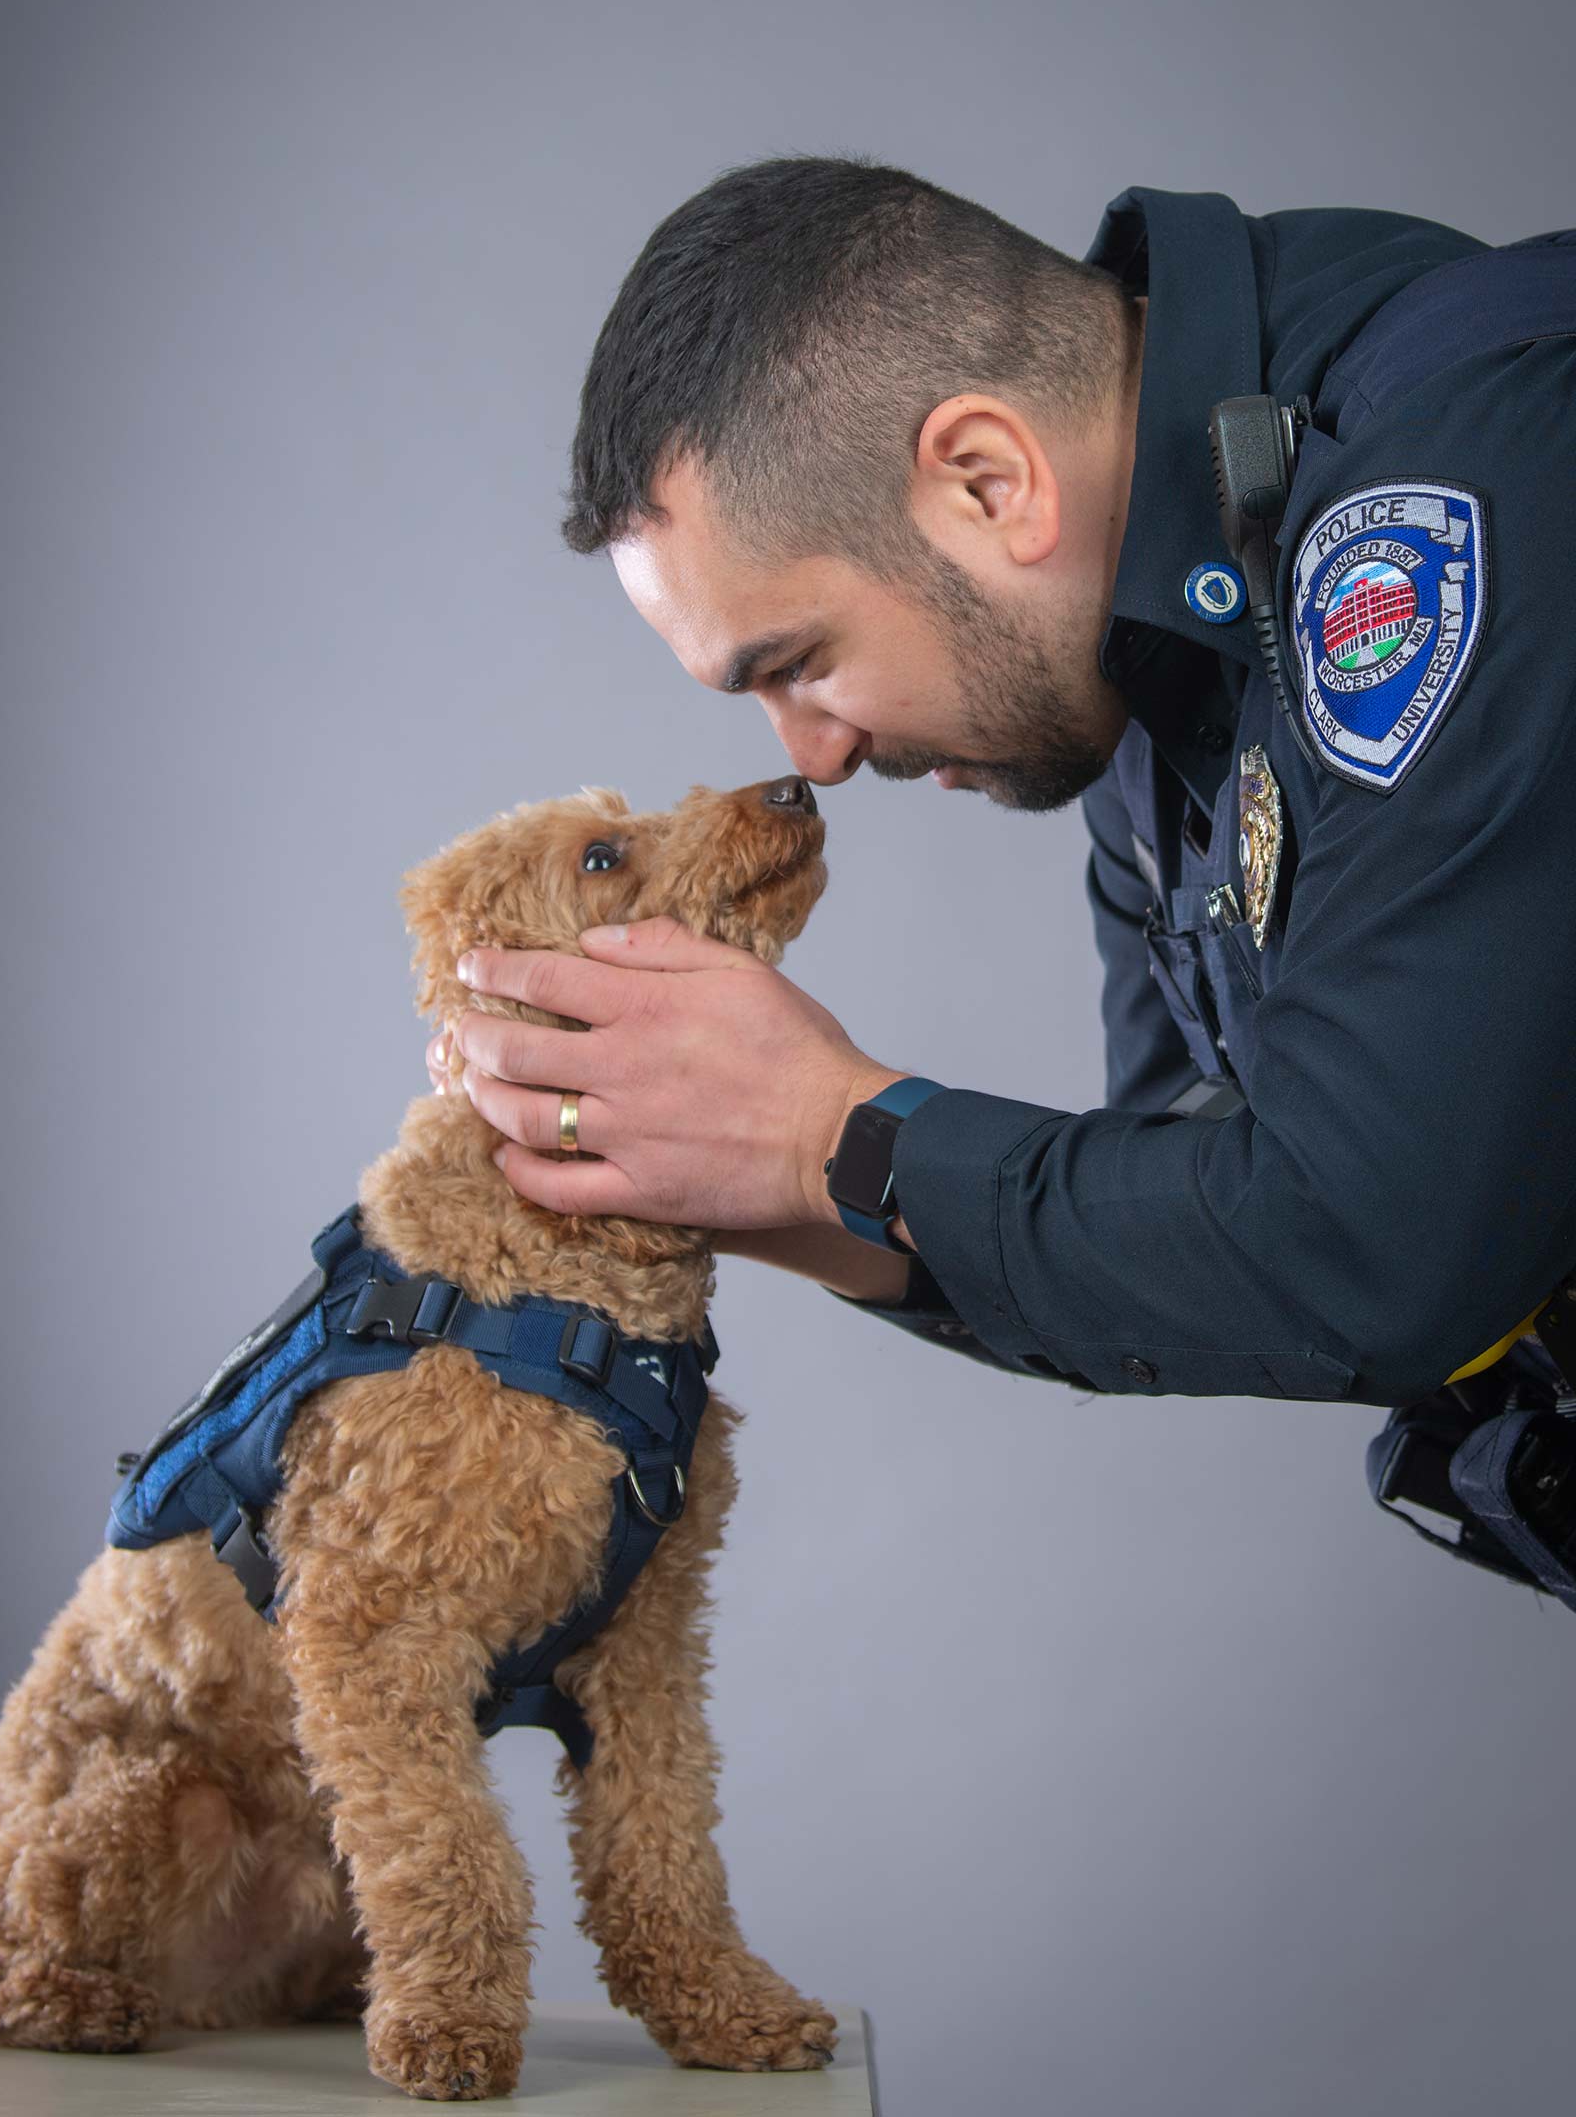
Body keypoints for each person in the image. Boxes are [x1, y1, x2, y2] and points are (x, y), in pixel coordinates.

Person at [426, 157, 1576, 1411]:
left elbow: (1378, 1250)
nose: (811, 756)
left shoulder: (1465, 484)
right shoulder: (1144, 664)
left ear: (988, 479)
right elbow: (1197, 1208)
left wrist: (832, 1135)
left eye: (801, 663)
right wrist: (776, 1195)